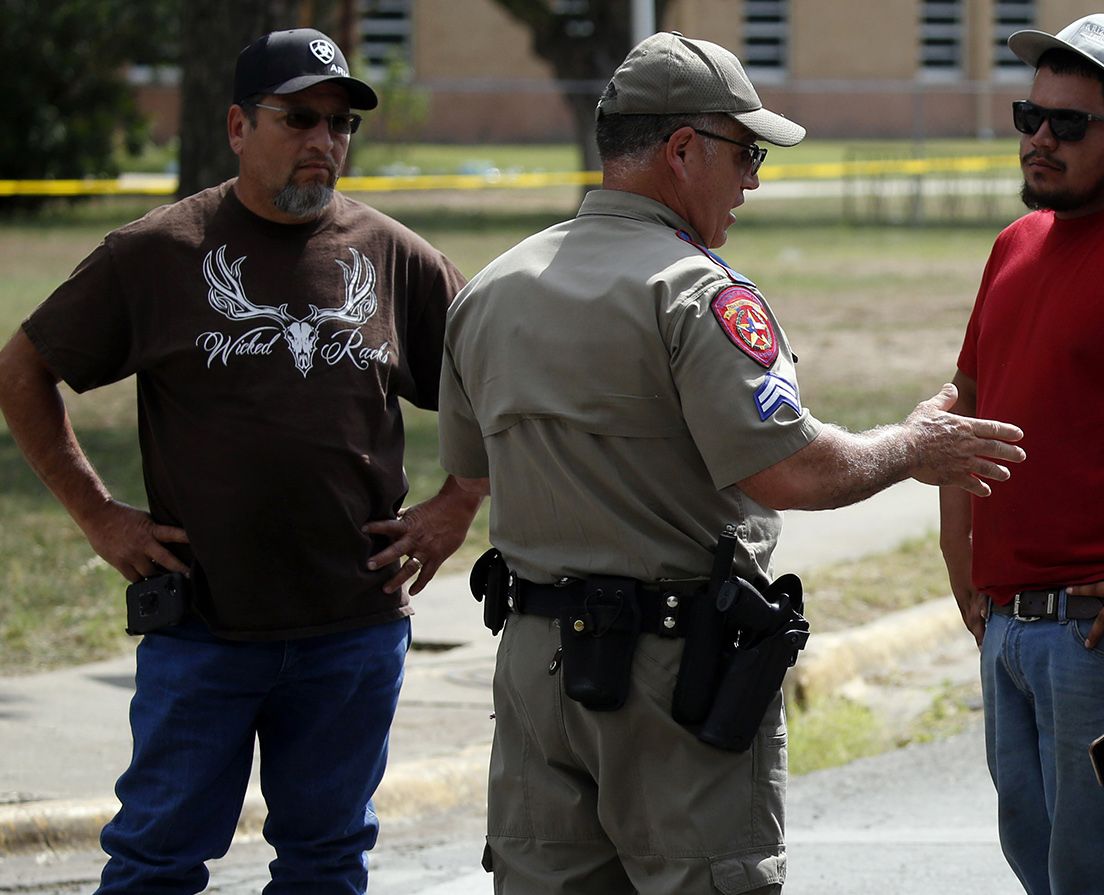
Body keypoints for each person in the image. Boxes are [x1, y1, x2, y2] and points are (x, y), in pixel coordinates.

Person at [438, 32, 1026, 894]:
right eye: (745, 151)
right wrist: (913, 446)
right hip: (673, 675)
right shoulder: (695, 293)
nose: (752, 177)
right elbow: (791, 471)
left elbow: (471, 472)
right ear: (682, 151)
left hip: (537, 664)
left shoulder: (491, 288)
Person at [0, 28, 474, 893]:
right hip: (204, 633)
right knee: (156, 862)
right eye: (299, 118)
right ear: (236, 127)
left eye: (340, 126)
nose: (323, 143)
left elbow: (502, 385)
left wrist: (459, 502)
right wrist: (98, 514)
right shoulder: (158, 253)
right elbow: (23, 368)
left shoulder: (396, 258)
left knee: (328, 860)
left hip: (353, 627)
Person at [936, 13, 1104, 894]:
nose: (1039, 139)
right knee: (1037, 864)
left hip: (1099, 632)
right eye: (1027, 117)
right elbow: (967, 402)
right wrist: (959, 561)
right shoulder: (1014, 243)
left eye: (1067, 124)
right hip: (1006, 627)